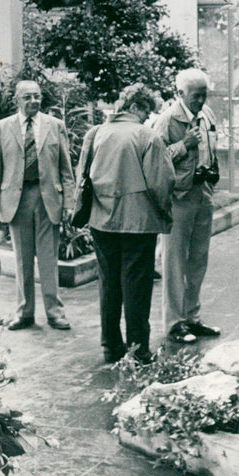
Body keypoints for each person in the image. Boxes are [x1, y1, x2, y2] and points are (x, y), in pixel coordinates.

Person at [75, 83, 174, 365]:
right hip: (138, 222)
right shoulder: (147, 136)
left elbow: (82, 175)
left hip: (101, 220)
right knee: (137, 285)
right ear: (135, 107)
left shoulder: (95, 133)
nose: (147, 118)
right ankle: (138, 348)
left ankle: (110, 346)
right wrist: (165, 213)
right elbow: (161, 182)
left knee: (109, 282)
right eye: (145, 112)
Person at [0, 80, 74, 330]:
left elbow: (66, 169)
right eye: (28, 97)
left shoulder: (55, 126)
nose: (34, 101)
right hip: (17, 198)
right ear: (17, 100)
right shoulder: (3, 128)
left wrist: (69, 202)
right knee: (22, 259)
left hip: (48, 198)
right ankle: (24, 313)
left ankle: (55, 313)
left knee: (48, 258)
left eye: (37, 96)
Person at [152, 67, 221, 344]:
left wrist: (213, 171)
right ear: (180, 93)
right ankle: (174, 323)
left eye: (204, 94)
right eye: (196, 95)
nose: (201, 100)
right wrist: (183, 145)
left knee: (198, 260)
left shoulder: (207, 116)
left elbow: (212, 147)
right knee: (174, 262)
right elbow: (156, 160)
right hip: (178, 198)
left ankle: (192, 317)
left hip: (202, 193)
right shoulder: (167, 120)